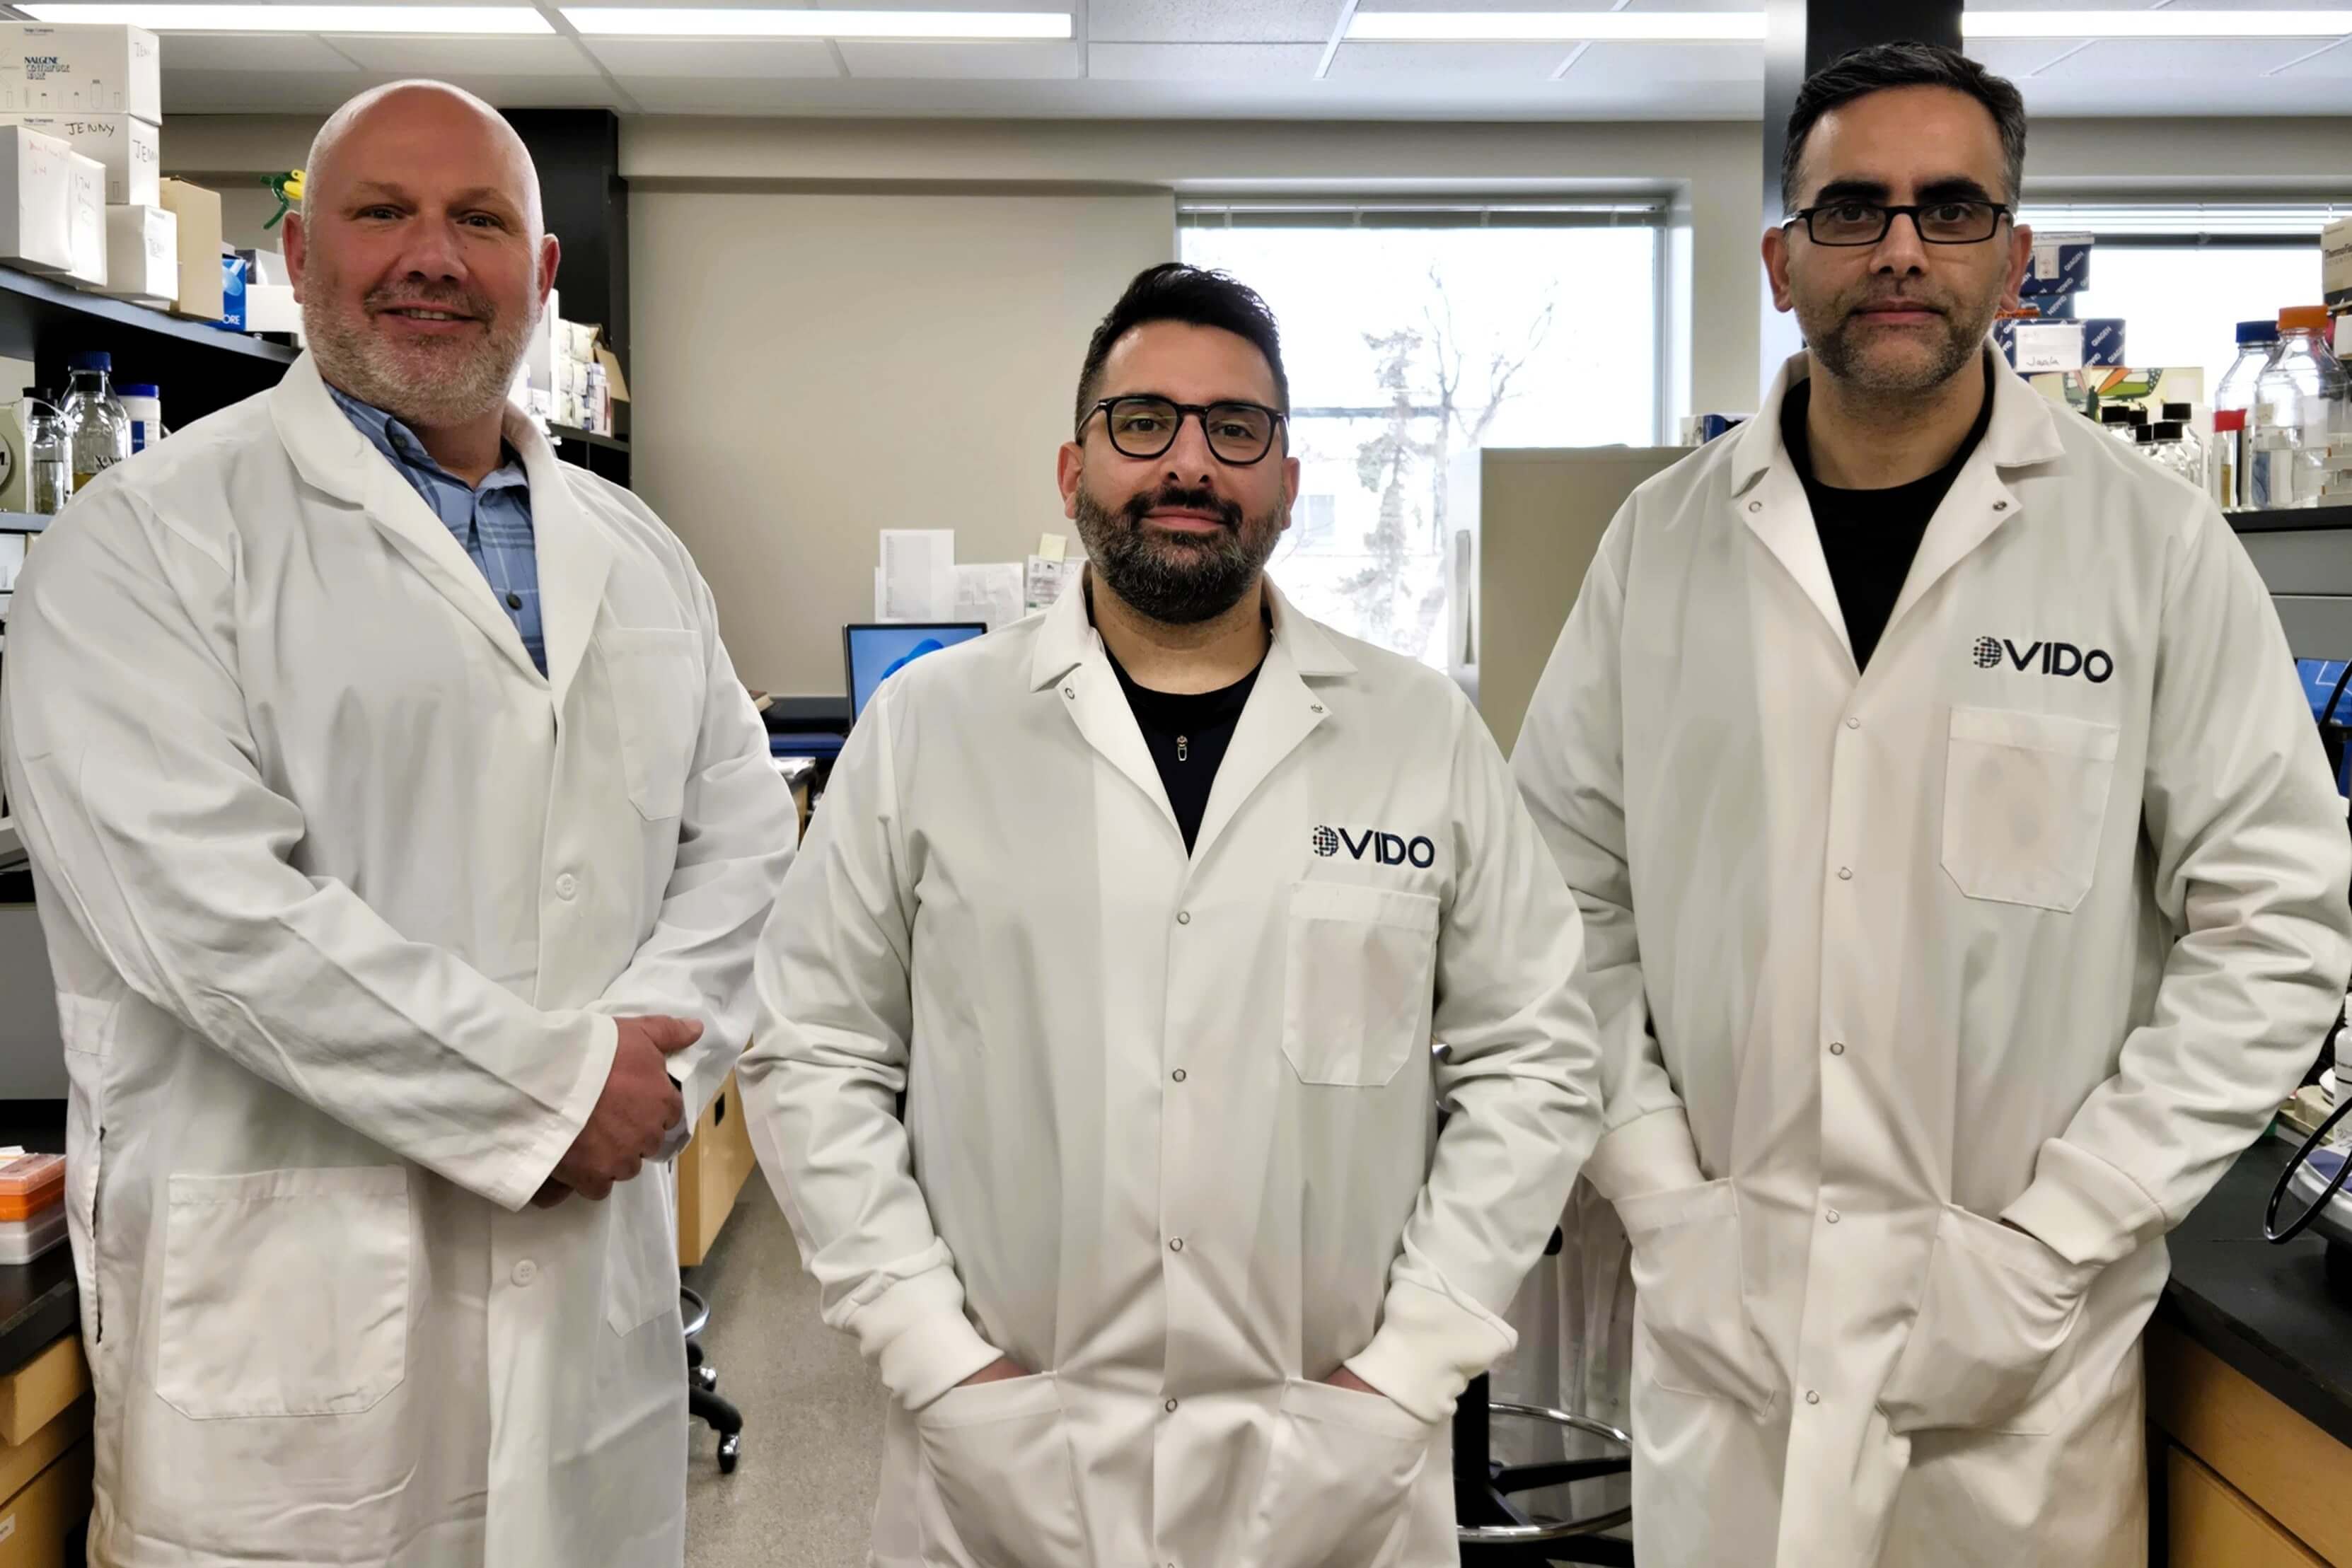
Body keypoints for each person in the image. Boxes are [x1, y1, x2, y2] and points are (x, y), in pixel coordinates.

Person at [1511, 41, 2352, 1568]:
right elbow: (1556, 899)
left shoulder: (2146, 546)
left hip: (2017, 1369)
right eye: (1851, 209)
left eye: (1950, 207)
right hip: (1734, 1328)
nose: (1900, 247)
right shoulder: (1659, 548)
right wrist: (1659, 1193)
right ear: (1782, 258)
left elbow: (2277, 926)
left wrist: (2056, 1238)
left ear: (2013, 258)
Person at [0, 81, 796, 1566]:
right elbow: (212, 920)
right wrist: (557, 1086)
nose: (431, 256)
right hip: (292, 1354)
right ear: (299, 257)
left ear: (543, 279)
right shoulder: (146, 541)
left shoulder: (638, 553)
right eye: (382, 212)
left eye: (480, 220)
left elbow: (746, 837)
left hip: (588, 1323)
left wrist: (650, 1065)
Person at [739, 262, 1605, 1566]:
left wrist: (1412, 1363)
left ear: (1288, 480)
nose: (1188, 461)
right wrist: (932, 1353)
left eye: (1234, 428)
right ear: (1073, 467)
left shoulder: (1417, 731)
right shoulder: (931, 726)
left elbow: (1535, 1057)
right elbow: (813, 1052)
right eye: (1142, 421)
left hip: (1335, 1453)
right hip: (1005, 1449)